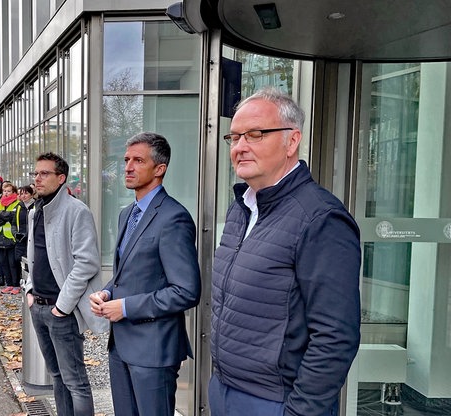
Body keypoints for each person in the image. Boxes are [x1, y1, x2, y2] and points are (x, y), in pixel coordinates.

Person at [208, 88, 361, 416]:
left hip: (276, 401)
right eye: (234, 137)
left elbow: (335, 337)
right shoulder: (242, 207)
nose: (240, 147)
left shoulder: (321, 219)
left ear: (292, 141)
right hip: (225, 388)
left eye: (255, 134)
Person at [88, 133, 201, 416]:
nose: (127, 167)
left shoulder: (174, 217)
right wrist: (108, 291)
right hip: (121, 346)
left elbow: (186, 291)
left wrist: (125, 307)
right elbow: (130, 270)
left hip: (153, 351)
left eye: (138, 160)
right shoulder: (127, 213)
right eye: (126, 160)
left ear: (159, 169)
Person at [23, 152, 109, 416]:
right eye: (35, 173)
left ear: (61, 178)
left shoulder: (76, 211)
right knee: (57, 376)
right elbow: (34, 255)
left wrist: (62, 306)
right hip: (38, 305)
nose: (37, 178)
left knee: (76, 382)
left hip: (62, 310)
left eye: (44, 173)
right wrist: (29, 290)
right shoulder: (35, 211)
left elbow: (87, 263)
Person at [0, 182, 27, 293]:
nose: (6, 193)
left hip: (12, 238)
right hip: (0, 237)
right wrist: (3, 217)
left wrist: (0, 215)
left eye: (9, 191)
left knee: (13, 263)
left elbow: (12, 218)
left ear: (14, 192)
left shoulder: (18, 204)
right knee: (3, 262)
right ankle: (9, 284)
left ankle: (16, 285)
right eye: (4, 191)